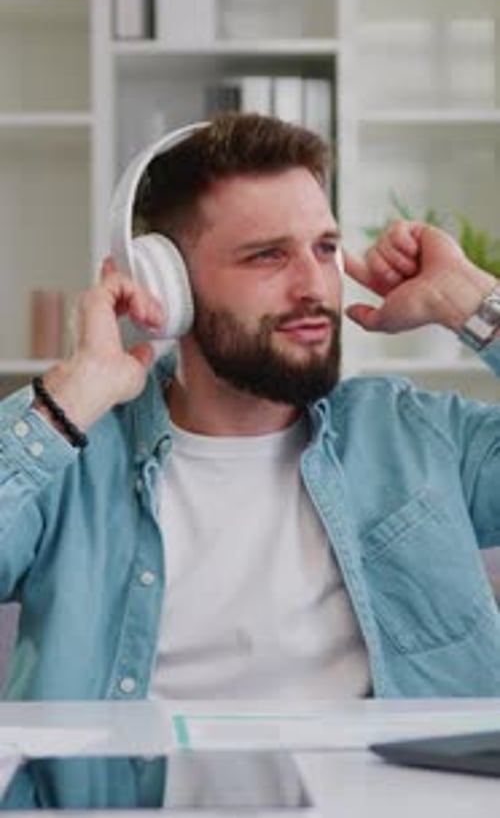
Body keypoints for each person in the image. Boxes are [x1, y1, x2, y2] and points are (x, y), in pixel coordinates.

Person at [2, 112, 500, 806]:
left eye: (324, 248)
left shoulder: (410, 434)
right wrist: (69, 398)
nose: (314, 286)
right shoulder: (78, 462)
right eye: (267, 255)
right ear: (165, 288)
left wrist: (473, 305)